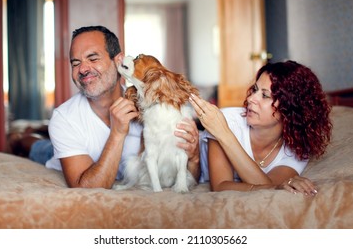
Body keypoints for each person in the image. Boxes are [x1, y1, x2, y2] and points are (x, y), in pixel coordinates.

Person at [20, 25, 201, 189]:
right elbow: (87, 189)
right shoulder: (63, 118)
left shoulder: (150, 107)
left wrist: (193, 158)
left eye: (93, 58)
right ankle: (19, 137)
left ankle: (36, 131)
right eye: (76, 63)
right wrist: (117, 133)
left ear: (119, 61)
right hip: (65, 155)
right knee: (36, 146)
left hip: (74, 144)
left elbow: (186, 177)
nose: (83, 69)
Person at [189, 60, 332, 195]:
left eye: (265, 95)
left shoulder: (297, 149)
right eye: (255, 90)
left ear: (290, 109)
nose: (251, 99)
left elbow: (267, 186)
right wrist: (224, 133)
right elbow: (220, 187)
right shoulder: (227, 121)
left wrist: (275, 186)